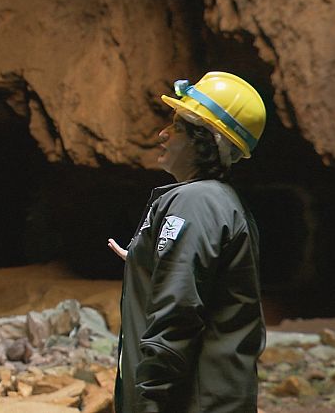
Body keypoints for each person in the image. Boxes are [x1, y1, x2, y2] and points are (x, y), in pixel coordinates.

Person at [107, 71, 267, 413]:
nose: (163, 133)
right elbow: (200, 281)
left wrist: (150, 401)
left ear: (206, 141)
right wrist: (148, 261)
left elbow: (177, 315)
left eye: (178, 126)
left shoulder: (195, 202)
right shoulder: (221, 201)